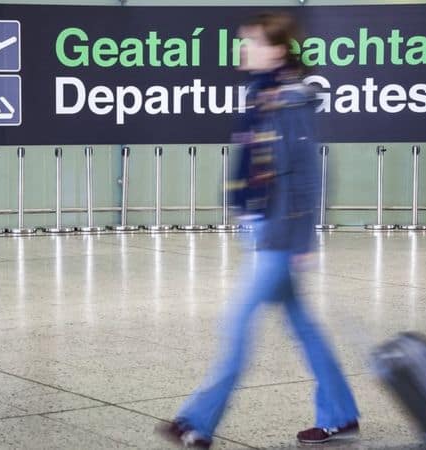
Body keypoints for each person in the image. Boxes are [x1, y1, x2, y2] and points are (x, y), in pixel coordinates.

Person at [156, 12, 360, 448]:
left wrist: (305, 241)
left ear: (278, 50)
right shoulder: (258, 96)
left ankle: (197, 421)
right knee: (303, 326)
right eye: (243, 41)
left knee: (237, 324)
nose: (243, 49)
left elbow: (309, 175)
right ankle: (340, 414)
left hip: (281, 234)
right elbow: (252, 164)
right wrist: (242, 211)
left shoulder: (292, 100)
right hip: (262, 225)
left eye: (252, 42)